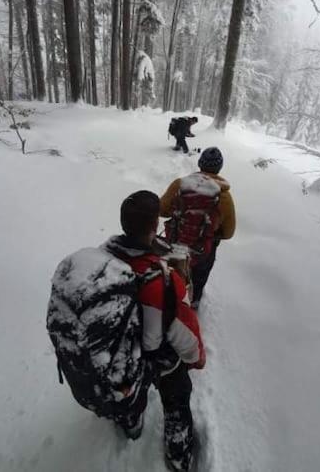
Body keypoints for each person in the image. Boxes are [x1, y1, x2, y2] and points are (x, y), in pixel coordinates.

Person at [48, 191, 205, 472]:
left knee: (129, 385)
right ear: (155, 225)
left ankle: (131, 421)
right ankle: (179, 454)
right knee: (177, 391)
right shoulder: (160, 282)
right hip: (145, 356)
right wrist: (196, 358)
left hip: (116, 358)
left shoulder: (106, 259)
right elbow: (170, 340)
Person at [160, 147, 236, 308]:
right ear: (219, 167)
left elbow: (162, 210)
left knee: (172, 272)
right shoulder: (224, 195)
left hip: (175, 242)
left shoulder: (180, 184)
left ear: (200, 163)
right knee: (200, 275)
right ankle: (192, 303)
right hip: (203, 249)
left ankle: (168, 296)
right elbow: (229, 232)